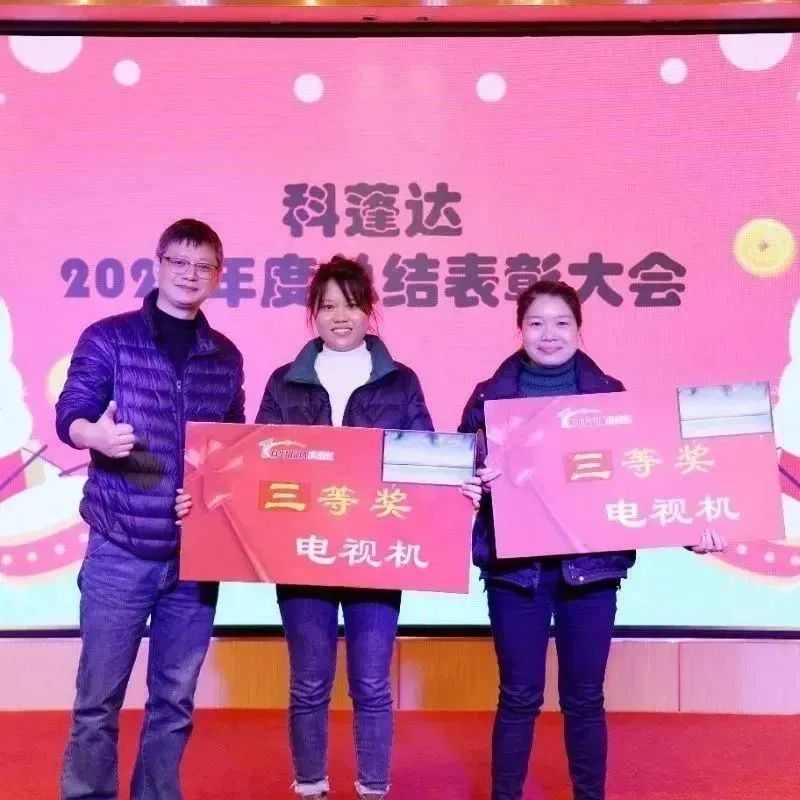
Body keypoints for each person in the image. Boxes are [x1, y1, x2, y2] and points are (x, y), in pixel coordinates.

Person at [459, 280, 724, 800]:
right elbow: (462, 468)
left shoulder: (610, 395)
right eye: (536, 323)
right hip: (516, 573)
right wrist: (470, 481)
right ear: (520, 329)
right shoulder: (490, 397)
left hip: (591, 571)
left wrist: (691, 529)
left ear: (579, 329)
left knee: (584, 697)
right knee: (518, 696)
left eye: (561, 323)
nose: (549, 334)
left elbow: (643, 478)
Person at [56, 218, 245, 800]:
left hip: (195, 557)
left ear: (218, 276)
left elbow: (232, 445)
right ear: (158, 265)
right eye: (179, 262)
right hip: (121, 547)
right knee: (98, 700)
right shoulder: (109, 337)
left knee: (174, 702)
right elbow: (71, 412)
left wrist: (211, 489)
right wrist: (94, 435)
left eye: (203, 266)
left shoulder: (225, 355)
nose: (190, 275)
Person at [253, 256, 431, 800]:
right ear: (314, 313)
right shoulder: (284, 381)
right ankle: (310, 785)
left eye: (351, 305)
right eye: (328, 306)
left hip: (372, 550)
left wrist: (457, 481)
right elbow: (257, 458)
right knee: (309, 682)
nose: (340, 317)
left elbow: (424, 456)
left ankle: (373, 787)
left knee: (372, 682)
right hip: (302, 552)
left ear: (369, 310)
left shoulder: (401, 381)